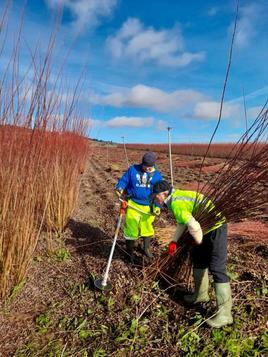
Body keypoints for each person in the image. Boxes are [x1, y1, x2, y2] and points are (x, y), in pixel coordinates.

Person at [151, 180, 233, 328]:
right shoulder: (178, 196)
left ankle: (225, 315)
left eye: (155, 196)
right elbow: (183, 222)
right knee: (199, 260)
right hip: (206, 227)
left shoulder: (175, 203)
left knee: (217, 268)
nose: (155, 199)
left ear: (163, 194)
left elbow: (194, 226)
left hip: (216, 227)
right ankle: (200, 295)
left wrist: (199, 242)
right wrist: (174, 241)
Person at [115, 152, 163, 264]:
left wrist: (157, 206)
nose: (147, 169)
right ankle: (129, 252)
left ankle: (146, 248)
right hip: (133, 204)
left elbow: (160, 192)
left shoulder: (157, 175)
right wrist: (120, 188)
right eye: (145, 166)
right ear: (142, 163)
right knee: (131, 228)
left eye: (150, 167)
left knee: (147, 227)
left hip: (148, 206)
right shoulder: (133, 170)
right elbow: (123, 181)